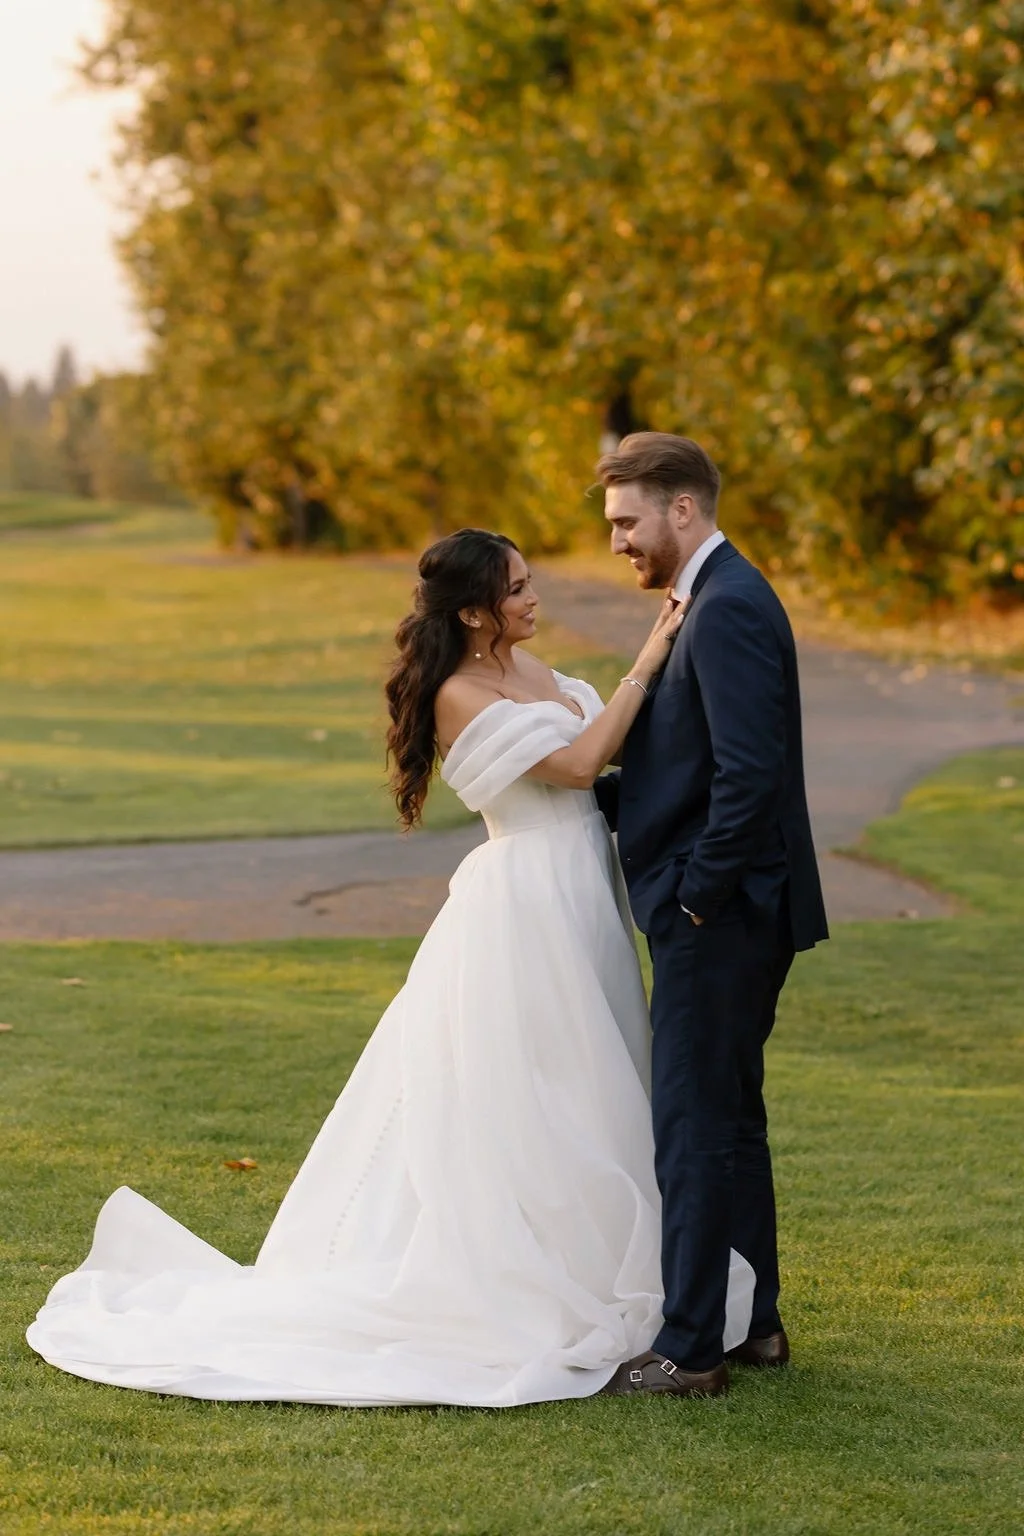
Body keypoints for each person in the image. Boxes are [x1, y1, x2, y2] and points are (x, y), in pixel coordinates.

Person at [26, 527, 755, 1408]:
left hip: (582, 899)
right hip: (525, 905)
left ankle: (603, 1262)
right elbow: (576, 763)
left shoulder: (534, 670)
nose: (533, 598)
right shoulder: (458, 694)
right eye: (516, 589)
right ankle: (524, 1274)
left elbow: (616, 752)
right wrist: (648, 657)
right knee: (540, 1082)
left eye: (529, 581)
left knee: (590, 1077)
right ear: (475, 612)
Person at [593, 434, 829, 1399]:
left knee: (693, 1125)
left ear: (682, 509)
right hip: (735, 909)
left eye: (627, 522)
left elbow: (749, 775)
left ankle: (691, 1348)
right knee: (730, 1119)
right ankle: (754, 1323)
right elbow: (687, 763)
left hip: (722, 915)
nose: (617, 542)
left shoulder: (727, 606)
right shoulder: (711, 595)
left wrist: (697, 894)